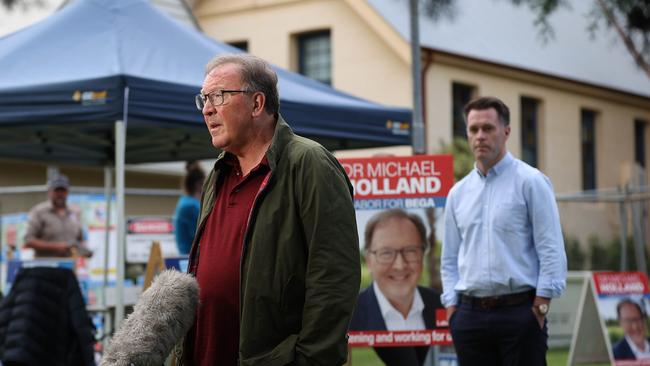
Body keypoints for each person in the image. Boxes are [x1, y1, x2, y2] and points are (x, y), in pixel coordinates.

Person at [175, 54, 360, 366]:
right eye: (204, 99)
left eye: (218, 96)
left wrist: (309, 359)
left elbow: (334, 277)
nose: (207, 109)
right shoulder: (217, 175)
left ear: (257, 104)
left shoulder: (310, 164)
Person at [440, 96, 567, 365]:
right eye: (474, 130)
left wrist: (541, 306)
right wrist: (453, 309)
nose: (480, 136)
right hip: (469, 318)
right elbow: (449, 258)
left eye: (488, 128)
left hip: (521, 313)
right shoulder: (458, 194)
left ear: (506, 131)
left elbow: (551, 248)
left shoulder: (531, 182)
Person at [350, 209, 442, 366]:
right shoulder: (350, 314)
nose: (400, 265)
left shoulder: (441, 306)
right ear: (369, 260)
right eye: (386, 253)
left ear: (422, 255)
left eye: (411, 251)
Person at [23, 174, 91, 258]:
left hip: (68, 265)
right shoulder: (39, 211)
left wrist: (84, 250)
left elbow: (79, 239)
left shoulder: (75, 211)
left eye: (63, 190)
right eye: (57, 190)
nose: (60, 194)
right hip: (45, 265)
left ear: (68, 191)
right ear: (50, 191)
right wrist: (58, 247)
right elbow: (28, 240)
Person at [173, 161, 205, 255]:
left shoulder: (185, 201)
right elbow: (201, 235)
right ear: (198, 184)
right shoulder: (191, 206)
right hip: (191, 256)